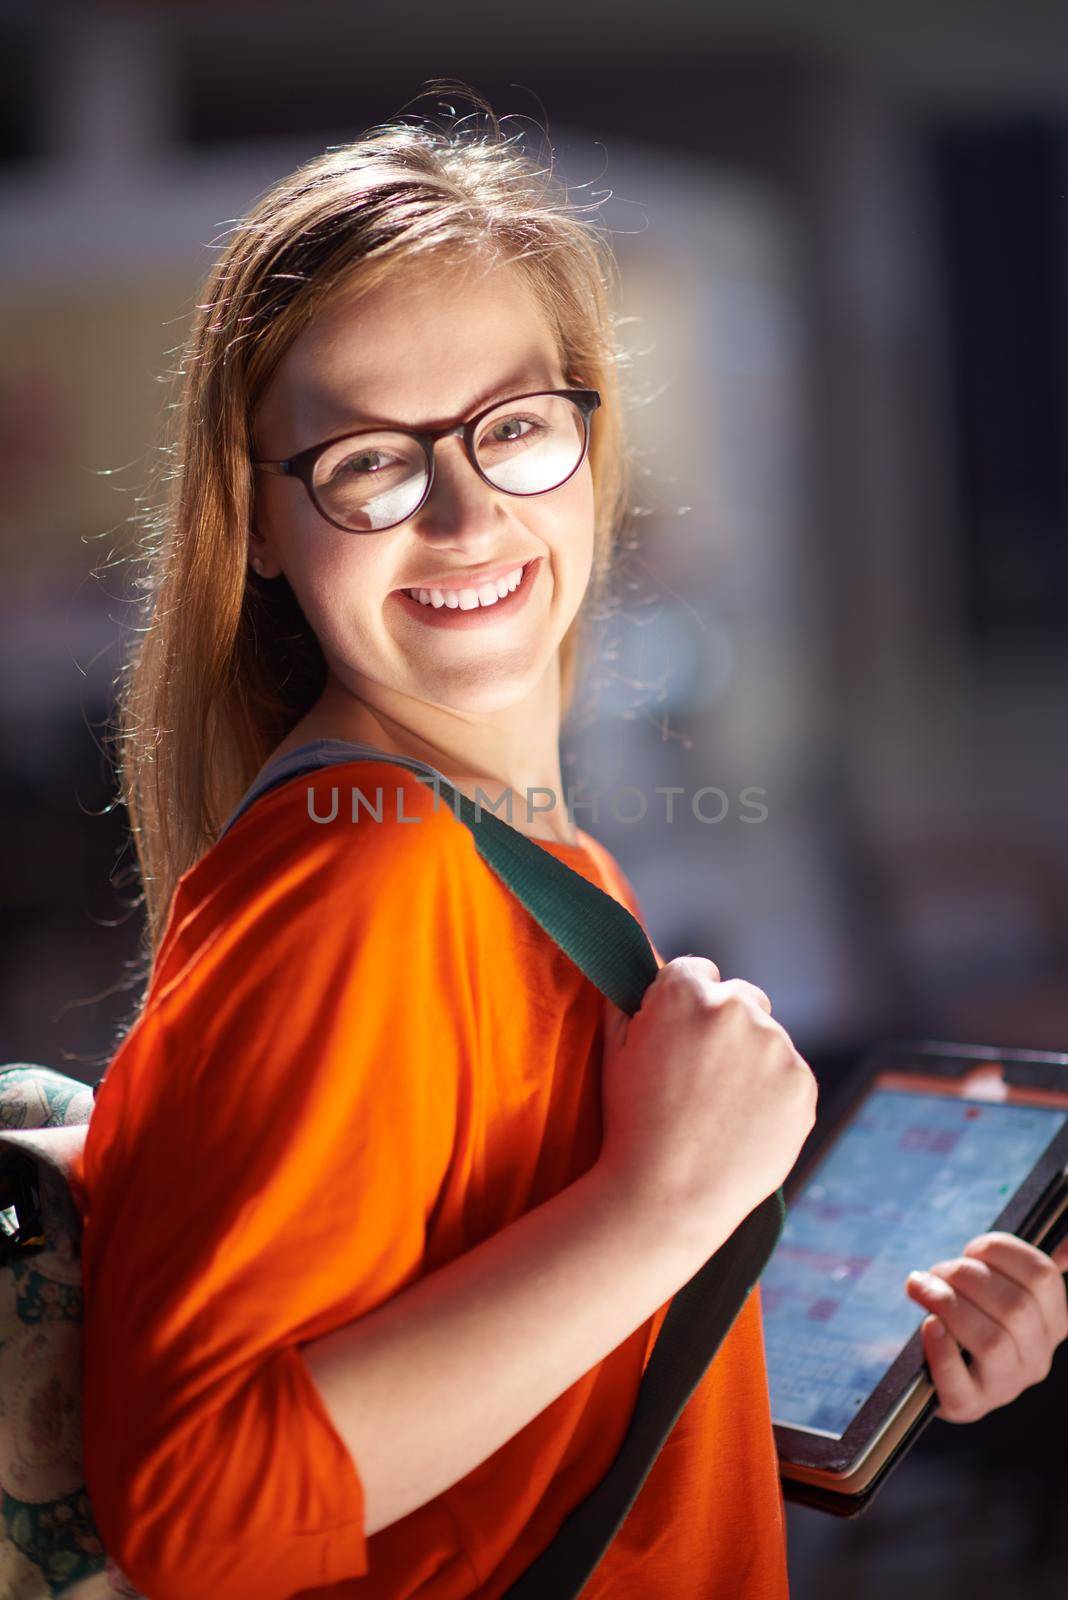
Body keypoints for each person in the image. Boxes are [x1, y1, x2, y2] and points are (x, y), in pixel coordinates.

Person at [70, 87, 1068, 1600]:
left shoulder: (516, 857)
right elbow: (206, 1513)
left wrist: (849, 1357)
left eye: (515, 429)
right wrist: (661, 1208)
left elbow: (513, 1420)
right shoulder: (365, 876)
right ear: (260, 521)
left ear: (592, 452)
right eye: (367, 461)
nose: (467, 515)